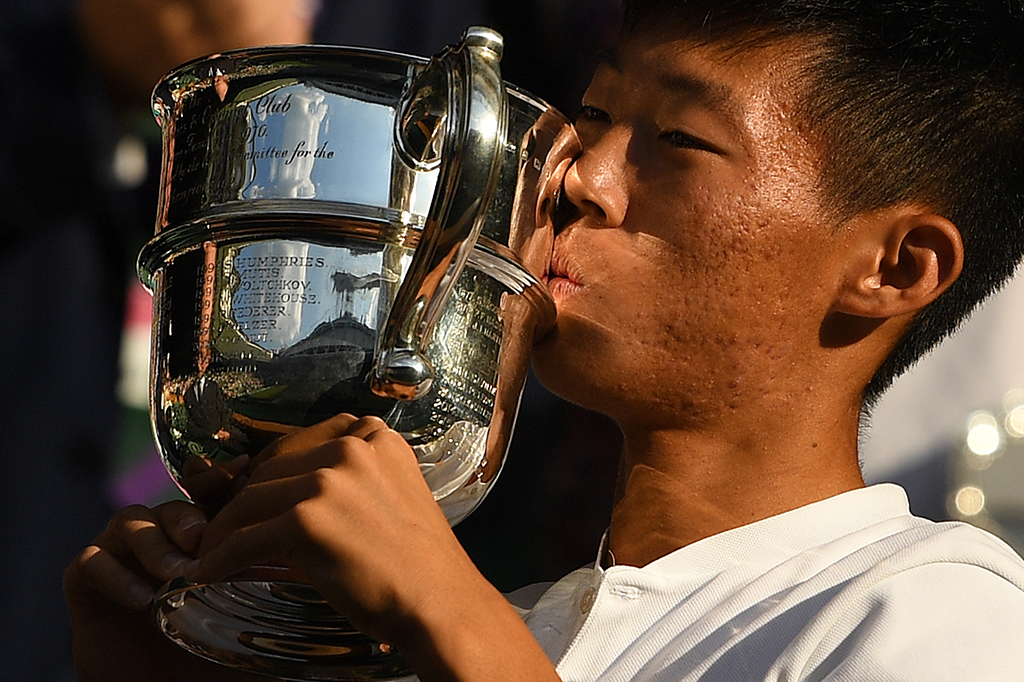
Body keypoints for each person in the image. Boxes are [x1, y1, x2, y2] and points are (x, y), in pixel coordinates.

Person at [64, 0, 1024, 680]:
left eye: (680, 141)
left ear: (895, 268)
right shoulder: (517, 626)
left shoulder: (933, 618)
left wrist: (445, 617)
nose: (582, 178)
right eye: (597, 116)